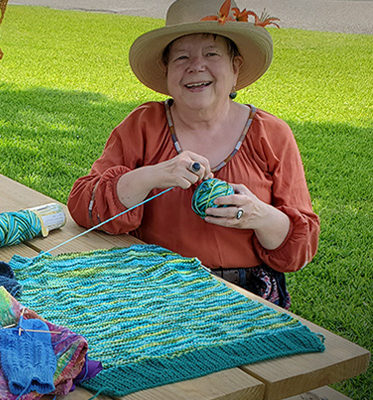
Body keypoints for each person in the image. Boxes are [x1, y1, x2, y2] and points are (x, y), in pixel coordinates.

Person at [67, 0, 319, 309]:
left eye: (211, 54)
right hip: (155, 292)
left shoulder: (272, 135)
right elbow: (83, 206)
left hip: (249, 299)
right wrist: (154, 174)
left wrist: (259, 215)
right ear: (167, 71)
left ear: (235, 67)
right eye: (182, 57)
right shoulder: (142, 125)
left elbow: (300, 250)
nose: (196, 66)